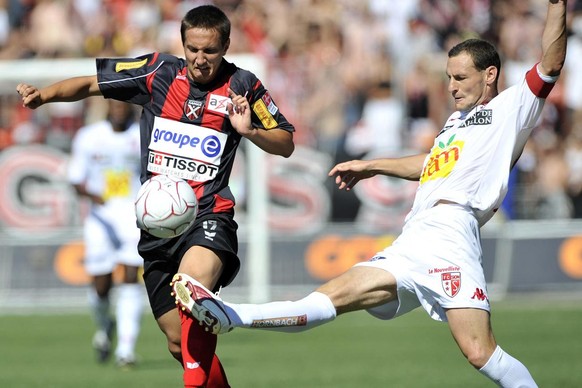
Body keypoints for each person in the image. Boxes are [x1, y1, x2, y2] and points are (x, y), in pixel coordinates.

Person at [172, 1, 568, 387]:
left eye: (460, 78)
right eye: (448, 77)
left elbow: (550, 63)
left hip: (452, 233)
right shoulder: (456, 121)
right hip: (416, 235)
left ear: (490, 75)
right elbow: (431, 163)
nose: (451, 87)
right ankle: (230, 316)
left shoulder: (511, 109)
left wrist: (555, 4)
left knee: (480, 353)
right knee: (328, 298)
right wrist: (371, 165)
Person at [17, 5, 295, 387]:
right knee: (178, 344)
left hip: (208, 215)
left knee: (191, 292)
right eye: (192, 49)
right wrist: (43, 96)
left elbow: (285, 142)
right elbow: (90, 84)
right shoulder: (157, 72)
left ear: (226, 45)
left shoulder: (243, 85)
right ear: (182, 44)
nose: (200, 59)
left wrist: (249, 131)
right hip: (158, 227)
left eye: (210, 51)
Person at [67, 99, 144, 368]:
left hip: (132, 216)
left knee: (132, 277)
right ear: (108, 107)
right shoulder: (89, 137)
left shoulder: (142, 134)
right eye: (115, 105)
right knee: (101, 286)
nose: (120, 109)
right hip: (100, 218)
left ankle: (126, 349)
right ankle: (104, 326)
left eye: (125, 105)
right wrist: (93, 196)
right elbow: (76, 180)